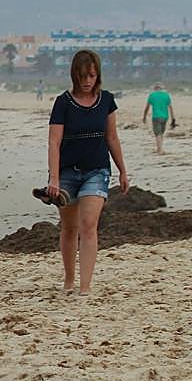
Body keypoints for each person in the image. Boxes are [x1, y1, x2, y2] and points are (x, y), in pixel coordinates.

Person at [41, 49, 129, 295]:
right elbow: (53, 142)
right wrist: (54, 178)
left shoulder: (107, 100)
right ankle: (69, 280)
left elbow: (112, 137)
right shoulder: (63, 102)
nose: (87, 80)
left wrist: (122, 170)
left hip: (97, 171)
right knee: (69, 228)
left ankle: (85, 287)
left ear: (98, 74)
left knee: (89, 225)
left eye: (91, 75)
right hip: (67, 173)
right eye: (82, 76)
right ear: (74, 75)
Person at [142, 82, 176, 155]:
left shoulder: (152, 95)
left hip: (156, 117)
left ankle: (160, 150)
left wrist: (144, 117)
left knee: (157, 134)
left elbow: (147, 107)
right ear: (161, 88)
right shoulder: (166, 95)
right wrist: (173, 118)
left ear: (155, 88)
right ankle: (159, 148)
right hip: (165, 117)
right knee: (161, 133)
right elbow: (170, 107)